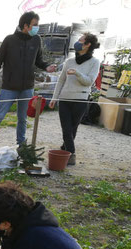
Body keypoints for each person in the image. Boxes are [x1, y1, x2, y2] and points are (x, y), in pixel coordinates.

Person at [0, 11, 57, 157]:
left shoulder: (36, 40)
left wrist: (47, 66)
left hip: (27, 87)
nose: (37, 28)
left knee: (23, 118)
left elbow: (39, 60)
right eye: (35, 25)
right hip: (9, 87)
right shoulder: (9, 40)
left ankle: (21, 146)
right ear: (26, 26)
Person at [49, 33, 101, 166]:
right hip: (64, 99)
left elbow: (88, 82)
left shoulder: (95, 62)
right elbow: (61, 81)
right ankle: (71, 153)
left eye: (80, 40)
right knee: (66, 128)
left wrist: (77, 73)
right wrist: (54, 98)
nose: (77, 42)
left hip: (81, 99)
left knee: (73, 128)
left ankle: (64, 148)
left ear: (88, 44)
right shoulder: (69, 61)